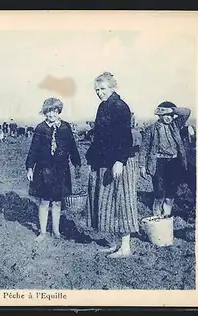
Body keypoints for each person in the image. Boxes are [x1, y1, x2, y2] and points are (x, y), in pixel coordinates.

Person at [85, 72, 138, 258]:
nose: (99, 93)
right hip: (105, 161)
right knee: (109, 203)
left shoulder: (120, 107)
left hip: (119, 162)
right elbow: (100, 136)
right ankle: (115, 244)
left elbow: (125, 138)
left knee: (122, 202)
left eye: (103, 89)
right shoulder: (103, 106)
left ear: (112, 87)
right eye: (97, 90)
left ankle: (125, 247)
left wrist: (119, 161)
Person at [25, 97, 81, 242]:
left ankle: (56, 231)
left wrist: (77, 164)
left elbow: (72, 147)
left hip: (61, 170)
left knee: (57, 201)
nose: (51, 115)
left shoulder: (65, 127)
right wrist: (30, 167)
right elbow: (33, 150)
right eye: (48, 112)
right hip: (44, 170)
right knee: (44, 201)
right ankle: (42, 232)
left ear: (59, 111)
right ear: (45, 112)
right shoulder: (40, 128)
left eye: (54, 111)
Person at [139, 101, 191, 216]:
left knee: (171, 193)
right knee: (159, 193)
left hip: (174, 162)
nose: (168, 118)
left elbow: (187, 112)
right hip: (158, 163)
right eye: (165, 115)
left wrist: (172, 110)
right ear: (160, 115)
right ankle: (157, 217)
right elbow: (144, 148)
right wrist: (142, 166)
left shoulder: (176, 125)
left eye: (170, 115)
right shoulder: (151, 129)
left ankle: (166, 217)